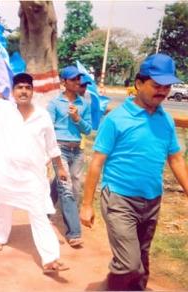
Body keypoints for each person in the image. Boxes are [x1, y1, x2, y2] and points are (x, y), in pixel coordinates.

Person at [80, 53, 188, 290]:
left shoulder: (166, 120)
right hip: (120, 198)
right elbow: (97, 162)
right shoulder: (117, 119)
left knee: (142, 258)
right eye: (157, 85)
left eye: (167, 86)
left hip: (152, 200)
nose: (162, 91)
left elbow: (176, 159)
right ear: (139, 83)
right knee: (129, 264)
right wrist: (87, 204)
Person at [0, 48, 69, 274]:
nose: (23, 91)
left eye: (27, 88)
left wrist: (59, 168)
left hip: (33, 176)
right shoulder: (1, 108)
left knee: (39, 213)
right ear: (13, 91)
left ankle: (50, 258)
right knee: (2, 207)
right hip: (6, 173)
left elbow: (52, 145)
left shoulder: (42, 116)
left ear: (32, 92)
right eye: (20, 87)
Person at [47, 66, 91, 248]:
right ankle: (74, 232)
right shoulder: (54, 103)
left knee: (63, 183)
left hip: (77, 151)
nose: (77, 82)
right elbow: (47, 128)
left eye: (78, 79)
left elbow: (88, 130)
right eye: (73, 79)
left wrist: (77, 118)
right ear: (64, 82)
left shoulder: (84, 104)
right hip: (60, 149)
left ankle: (43, 211)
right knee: (67, 188)